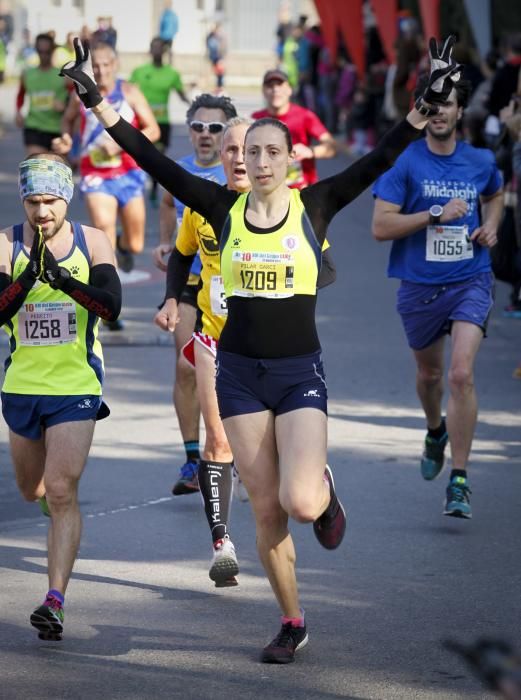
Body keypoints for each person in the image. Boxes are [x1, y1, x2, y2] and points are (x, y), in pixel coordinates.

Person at [61, 33, 460, 664]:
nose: (261, 160)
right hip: (239, 374)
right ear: (239, 156)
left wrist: (422, 104)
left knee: (302, 501)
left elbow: (380, 159)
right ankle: (292, 619)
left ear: (290, 157)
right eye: (251, 151)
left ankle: (324, 489)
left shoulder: (316, 206)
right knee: (267, 508)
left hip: (298, 371)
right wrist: (101, 104)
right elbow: (153, 162)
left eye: (272, 150)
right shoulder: (221, 208)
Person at [372, 70, 504, 520]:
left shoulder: (480, 160)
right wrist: (433, 213)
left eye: (447, 104)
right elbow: (380, 227)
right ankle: (435, 430)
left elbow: (497, 192)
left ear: (460, 110)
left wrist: (492, 225)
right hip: (420, 286)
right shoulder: (405, 161)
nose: (439, 112)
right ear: (421, 111)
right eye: (431, 104)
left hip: (471, 278)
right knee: (430, 377)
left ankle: (460, 480)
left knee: (460, 375)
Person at [0, 152, 122, 640]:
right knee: (33, 491)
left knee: (60, 490)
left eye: (50, 200)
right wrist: (29, 278)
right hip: (22, 386)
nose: (41, 211)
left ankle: (55, 600)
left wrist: (67, 281)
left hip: (76, 385)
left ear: (66, 198)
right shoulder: (7, 245)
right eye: (33, 200)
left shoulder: (91, 242)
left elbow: (111, 307)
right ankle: (57, 516)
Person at [155, 117, 253, 587]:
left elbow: (325, 268)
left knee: (269, 463)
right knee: (219, 441)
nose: (237, 157)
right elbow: (180, 253)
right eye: (231, 149)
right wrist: (173, 297)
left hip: (273, 349)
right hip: (216, 338)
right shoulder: (203, 204)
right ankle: (222, 543)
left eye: (247, 149)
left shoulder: (289, 208)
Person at [153, 93, 237, 495]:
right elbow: (168, 203)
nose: (206, 135)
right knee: (187, 365)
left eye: (215, 128)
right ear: (189, 131)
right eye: (199, 127)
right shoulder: (180, 170)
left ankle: (226, 448)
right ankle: (193, 459)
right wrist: (165, 242)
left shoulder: (239, 170)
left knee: (231, 371)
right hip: (190, 281)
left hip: (234, 284)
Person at [52, 42, 159, 329]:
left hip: (129, 173)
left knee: (135, 242)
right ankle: (110, 303)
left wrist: (121, 147)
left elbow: (153, 129)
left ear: (115, 65)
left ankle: (125, 250)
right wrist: (65, 139)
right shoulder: (80, 95)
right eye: (95, 66)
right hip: (95, 174)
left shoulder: (129, 92)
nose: (99, 70)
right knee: (104, 228)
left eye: (104, 65)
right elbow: (67, 121)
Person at [252, 68, 336, 190]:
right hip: (267, 192)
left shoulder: (305, 116)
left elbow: (331, 147)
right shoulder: (255, 119)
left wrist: (310, 151)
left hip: (303, 192)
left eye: (280, 85)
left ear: (289, 90)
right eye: (270, 86)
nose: (275, 90)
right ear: (264, 91)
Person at [129, 36, 189, 204]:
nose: (156, 51)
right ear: (150, 50)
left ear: (164, 51)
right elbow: (128, 91)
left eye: (159, 48)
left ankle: (154, 187)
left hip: (162, 122)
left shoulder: (172, 73)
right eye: (153, 47)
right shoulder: (139, 72)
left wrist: (194, 105)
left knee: (157, 156)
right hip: (143, 121)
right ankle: (139, 186)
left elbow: (181, 93)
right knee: (141, 155)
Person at [15, 33, 69, 156]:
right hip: (34, 127)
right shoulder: (27, 74)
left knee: (55, 172)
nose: (44, 55)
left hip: (57, 129)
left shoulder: (63, 76)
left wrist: (64, 106)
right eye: (40, 51)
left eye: (47, 52)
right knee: (37, 169)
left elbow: (77, 102)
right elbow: (20, 95)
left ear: (52, 51)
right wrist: (18, 112)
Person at [205, 22, 226, 92]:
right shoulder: (210, 36)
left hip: (219, 57)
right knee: (217, 72)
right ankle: (217, 87)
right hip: (213, 57)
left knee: (220, 72)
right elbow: (208, 46)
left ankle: (220, 87)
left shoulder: (220, 37)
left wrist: (222, 57)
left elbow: (223, 47)